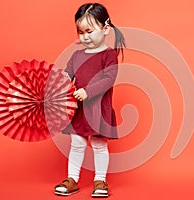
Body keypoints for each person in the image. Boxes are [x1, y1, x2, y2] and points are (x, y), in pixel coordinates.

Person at [54, 3, 125, 198]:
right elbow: (68, 74)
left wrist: (88, 91)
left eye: (89, 31)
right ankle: (72, 179)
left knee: (99, 145)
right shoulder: (76, 55)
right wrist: (61, 81)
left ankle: (100, 180)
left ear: (105, 29)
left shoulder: (109, 55)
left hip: (99, 110)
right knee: (76, 143)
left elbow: (108, 79)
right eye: (80, 32)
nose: (85, 36)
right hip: (79, 110)